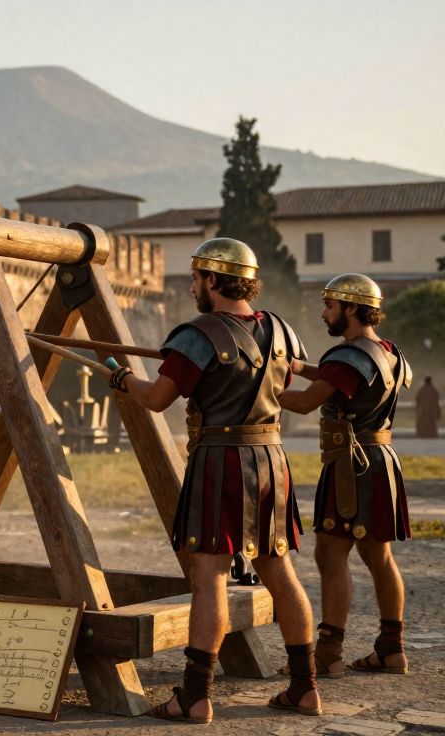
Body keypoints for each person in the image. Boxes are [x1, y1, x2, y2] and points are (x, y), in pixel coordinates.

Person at [109, 238, 321, 723]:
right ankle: (305, 688)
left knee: (210, 579)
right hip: (272, 460)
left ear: (211, 280)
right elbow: (280, 385)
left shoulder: (198, 334)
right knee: (280, 572)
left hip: (220, 462)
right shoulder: (282, 331)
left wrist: (123, 380)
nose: (191, 287)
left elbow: (159, 398)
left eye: (195, 278)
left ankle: (195, 696)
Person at [279, 273, 412, 679]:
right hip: (381, 461)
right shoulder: (388, 352)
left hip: (351, 469)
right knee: (378, 556)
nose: (323, 313)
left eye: (330, 306)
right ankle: (392, 649)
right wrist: (296, 366)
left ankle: (328, 654)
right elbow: (336, 378)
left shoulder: (347, 356)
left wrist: (253, 384)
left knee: (330, 553)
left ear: (351, 308)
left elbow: (303, 403)